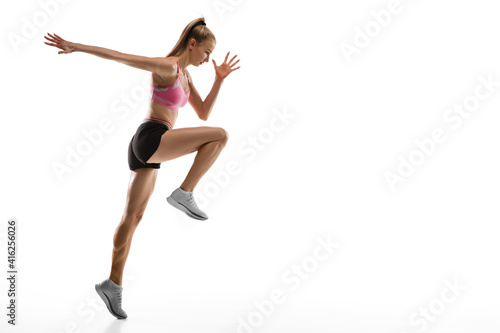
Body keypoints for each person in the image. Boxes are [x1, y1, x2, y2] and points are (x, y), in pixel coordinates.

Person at [43, 17, 240, 319]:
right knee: (221, 135)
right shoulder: (168, 66)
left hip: (148, 146)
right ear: (192, 44)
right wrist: (76, 47)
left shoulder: (186, 77)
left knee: (132, 218)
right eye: (207, 52)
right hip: (152, 137)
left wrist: (219, 79)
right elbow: (121, 57)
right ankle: (184, 192)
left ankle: (112, 284)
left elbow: (202, 113)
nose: (208, 59)